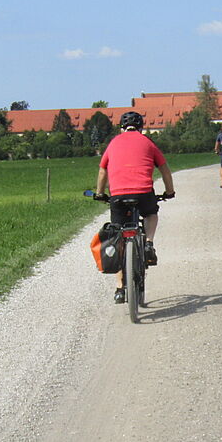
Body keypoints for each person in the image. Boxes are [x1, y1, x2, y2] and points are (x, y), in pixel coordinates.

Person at [94, 111, 175, 304]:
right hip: (143, 192)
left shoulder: (113, 143)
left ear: (121, 127)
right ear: (141, 127)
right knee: (151, 213)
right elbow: (164, 168)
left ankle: (120, 289)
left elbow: (103, 170)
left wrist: (99, 193)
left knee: (118, 237)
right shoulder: (148, 143)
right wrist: (169, 191)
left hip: (118, 195)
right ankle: (148, 243)